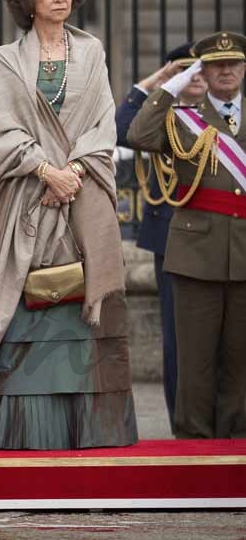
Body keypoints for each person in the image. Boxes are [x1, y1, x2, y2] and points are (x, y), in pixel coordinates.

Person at [0, 0, 137, 450]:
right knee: (25, 308)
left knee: (87, 308)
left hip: (84, 194)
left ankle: (91, 430)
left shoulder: (92, 51)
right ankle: (23, 432)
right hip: (26, 194)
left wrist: (74, 171)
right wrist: (44, 170)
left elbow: (104, 120)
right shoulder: (3, 60)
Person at [127, 31, 246, 439]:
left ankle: (236, 441)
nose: (226, 70)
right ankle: (193, 441)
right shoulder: (183, 119)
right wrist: (167, 89)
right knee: (194, 358)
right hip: (197, 251)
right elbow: (138, 136)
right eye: (216, 64)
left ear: (244, 68)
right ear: (203, 71)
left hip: (244, 250)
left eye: (233, 63)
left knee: (239, 357)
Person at [115, 43, 206, 427]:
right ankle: (181, 420)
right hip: (172, 233)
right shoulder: (161, 115)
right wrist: (158, 82)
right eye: (189, 68)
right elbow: (120, 130)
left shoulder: (226, 115)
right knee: (177, 337)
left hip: (222, 234)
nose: (198, 75)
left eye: (205, 67)